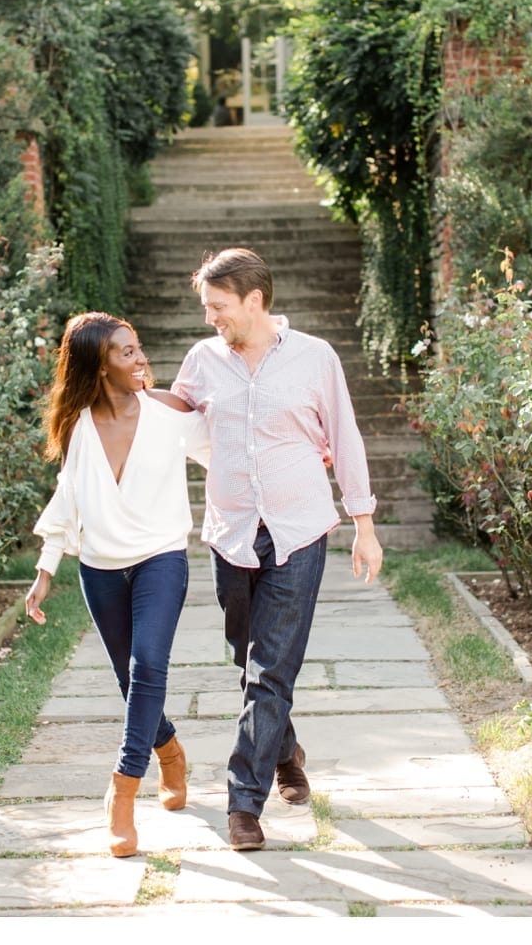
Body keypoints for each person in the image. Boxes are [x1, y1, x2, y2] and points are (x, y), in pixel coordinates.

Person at [172, 248, 383, 852]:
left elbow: (344, 437)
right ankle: (285, 748)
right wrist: (125, 396)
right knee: (247, 657)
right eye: (206, 308)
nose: (211, 318)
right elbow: (178, 419)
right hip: (231, 530)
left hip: (299, 529)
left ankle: (244, 801)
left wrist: (363, 524)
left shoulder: (315, 357)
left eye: (219, 307)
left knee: (271, 668)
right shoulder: (204, 359)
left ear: (254, 301)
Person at [23, 312, 210, 858]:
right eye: (125, 352)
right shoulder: (78, 424)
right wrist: (44, 570)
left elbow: (227, 454)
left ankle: (122, 790)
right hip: (101, 567)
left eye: (138, 347)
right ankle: (170, 752)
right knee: (131, 683)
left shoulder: (168, 413)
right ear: (98, 366)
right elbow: (68, 496)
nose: (140, 358)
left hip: (162, 556)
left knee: (148, 665)